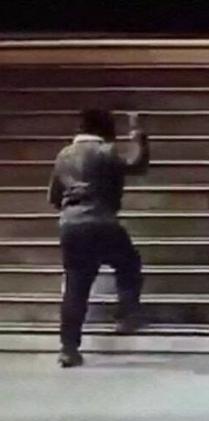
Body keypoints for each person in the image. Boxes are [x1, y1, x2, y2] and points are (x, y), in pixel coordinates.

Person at [48, 109, 150, 367]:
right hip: (102, 220)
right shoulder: (106, 151)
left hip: (71, 224)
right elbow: (137, 164)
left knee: (76, 286)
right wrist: (138, 135)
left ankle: (68, 348)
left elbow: (53, 197)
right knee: (128, 263)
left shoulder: (63, 155)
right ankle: (126, 314)